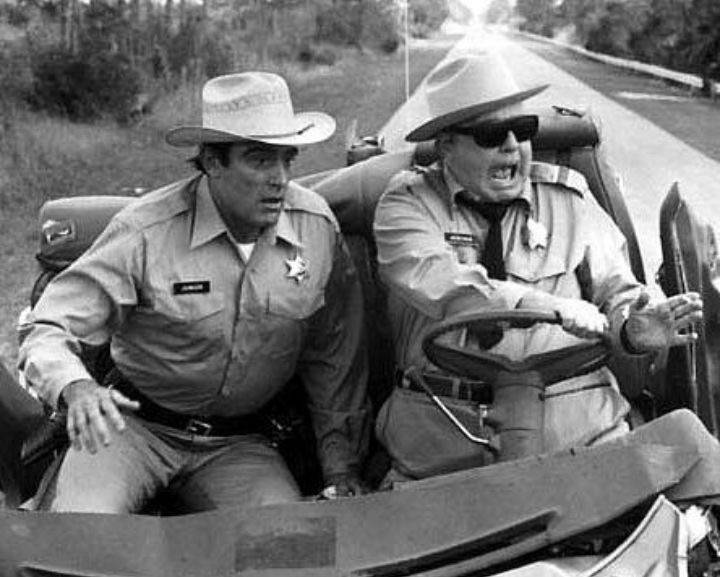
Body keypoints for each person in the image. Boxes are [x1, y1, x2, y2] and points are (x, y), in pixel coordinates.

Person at [19, 71, 370, 513]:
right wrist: (77, 388)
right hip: (131, 429)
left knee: (285, 541)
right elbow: (48, 325)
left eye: (287, 159)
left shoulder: (315, 228)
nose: (280, 179)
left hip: (240, 444)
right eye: (260, 160)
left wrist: (341, 467)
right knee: (83, 532)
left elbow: (336, 356)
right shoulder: (146, 231)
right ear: (212, 162)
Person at [373, 52, 703, 482]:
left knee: (690, 488)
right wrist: (547, 306)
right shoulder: (406, 205)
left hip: (580, 427)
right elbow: (441, 282)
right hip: (444, 434)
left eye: (524, 129)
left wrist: (632, 331)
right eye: (492, 134)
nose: (513, 145)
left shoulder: (569, 198)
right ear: (447, 146)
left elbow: (618, 294)